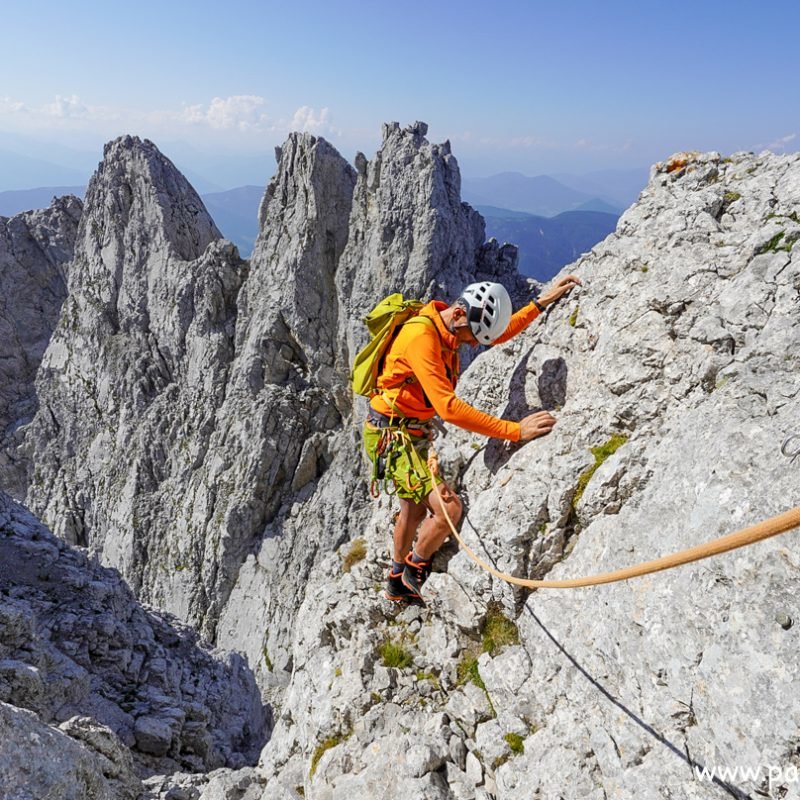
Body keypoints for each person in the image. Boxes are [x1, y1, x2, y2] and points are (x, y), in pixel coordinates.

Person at [363, 275, 581, 603]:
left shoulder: (449, 327)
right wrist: (515, 430)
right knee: (448, 510)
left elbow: (493, 336)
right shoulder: (422, 337)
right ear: (461, 315)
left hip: (402, 430)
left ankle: (397, 578)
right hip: (393, 436)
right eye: (471, 337)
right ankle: (414, 568)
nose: (474, 344)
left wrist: (538, 305)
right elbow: (449, 409)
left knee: (412, 509)